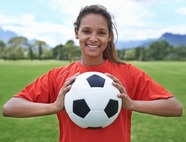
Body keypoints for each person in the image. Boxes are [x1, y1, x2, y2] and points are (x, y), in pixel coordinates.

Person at [2, 4, 182, 142]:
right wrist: (53, 107)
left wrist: (132, 104)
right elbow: (10, 108)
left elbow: (175, 108)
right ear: (76, 33)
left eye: (101, 33)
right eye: (87, 31)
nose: (94, 38)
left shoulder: (128, 73)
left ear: (109, 36)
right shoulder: (58, 76)